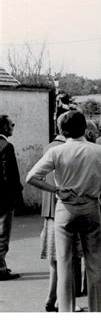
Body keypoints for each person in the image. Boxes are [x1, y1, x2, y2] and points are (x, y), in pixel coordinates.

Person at [26, 110, 101, 312]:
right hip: (91, 207)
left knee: (65, 263)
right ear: (84, 128)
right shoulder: (97, 151)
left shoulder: (56, 152)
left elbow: (31, 177)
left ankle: (66, 311)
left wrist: (56, 189)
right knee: (95, 262)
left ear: (62, 130)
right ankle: (99, 311)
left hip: (65, 208)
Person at [38, 116, 84, 312]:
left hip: (49, 208)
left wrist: (52, 191)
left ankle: (51, 297)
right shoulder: (71, 150)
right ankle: (65, 301)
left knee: (55, 258)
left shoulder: (49, 147)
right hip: (66, 207)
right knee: (70, 257)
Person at [0, 115, 23, 281]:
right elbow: (11, 176)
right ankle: (0, 269)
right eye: (11, 124)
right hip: (4, 198)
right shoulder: (6, 146)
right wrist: (17, 195)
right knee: (2, 234)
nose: (13, 127)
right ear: (5, 128)